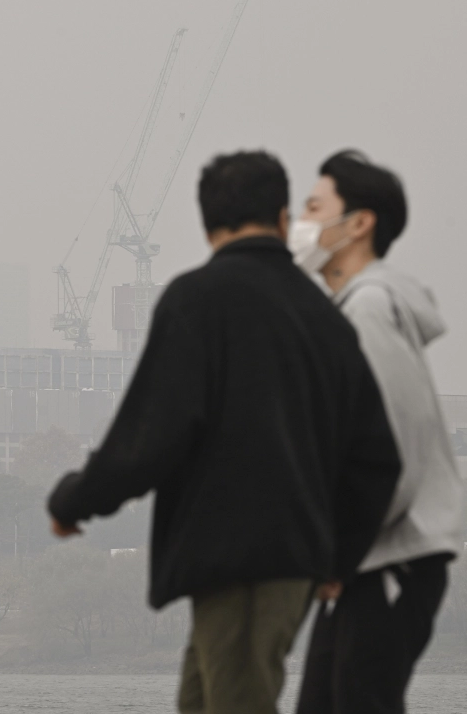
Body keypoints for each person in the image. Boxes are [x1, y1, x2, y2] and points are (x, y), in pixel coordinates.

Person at [46, 150, 402, 714]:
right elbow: (377, 458)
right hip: (291, 559)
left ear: (207, 223)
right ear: (283, 220)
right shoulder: (323, 316)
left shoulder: (198, 300)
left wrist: (75, 501)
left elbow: (148, 436)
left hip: (235, 559)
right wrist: (338, 554)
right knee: (204, 701)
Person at [292, 150, 465, 714]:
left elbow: (394, 447)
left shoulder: (369, 310)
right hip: (369, 558)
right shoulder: (354, 311)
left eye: (315, 207)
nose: (301, 222)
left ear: (359, 223)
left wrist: (339, 555)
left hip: (393, 557)